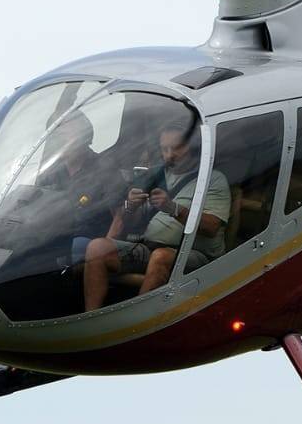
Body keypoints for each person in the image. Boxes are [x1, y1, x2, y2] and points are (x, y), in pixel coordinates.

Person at [81, 121, 231, 312]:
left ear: (193, 148)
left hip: (195, 255)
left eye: (176, 148)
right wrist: (130, 206)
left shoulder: (213, 179)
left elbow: (211, 228)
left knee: (161, 257)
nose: (169, 155)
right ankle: (91, 315)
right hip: (150, 247)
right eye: (164, 149)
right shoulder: (155, 175)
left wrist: (173, 208)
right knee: (96, 247)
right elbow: (130, 222)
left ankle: (138, 321)